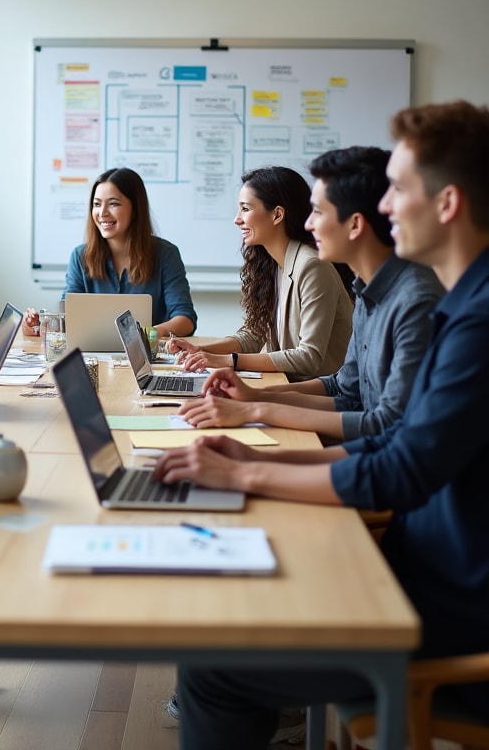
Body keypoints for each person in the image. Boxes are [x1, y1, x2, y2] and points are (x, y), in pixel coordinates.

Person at [154, 101, 489, 749]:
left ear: (447, 203)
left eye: (398, 189)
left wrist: (249, 469)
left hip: (441, 612)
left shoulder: (468, 319)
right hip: (412, 573)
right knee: (226, 614)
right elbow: (392, 442)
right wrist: (255, 459)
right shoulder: (458, 305)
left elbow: (399, 464)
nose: (384, 207)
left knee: (212, 664)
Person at [178, 147, 444, 441]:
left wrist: (256, 407)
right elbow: (343, 390)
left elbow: (384, 428)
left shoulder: (413, 299)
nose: (308, 223)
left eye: (317, 211)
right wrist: (254, 397)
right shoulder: (365, 291)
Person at [170, 165, 353, 382]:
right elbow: (254, 335)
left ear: (277, 215)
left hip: (318, 393)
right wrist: (199, 351)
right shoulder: (272, 264)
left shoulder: (313, 267)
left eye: (245, 209)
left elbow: (308, 357)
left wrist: (227, 361)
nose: (237, 219)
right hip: (288, 385)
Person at [23, 167, 197, 338]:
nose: (102, 213)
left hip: (147, 352)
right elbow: (67, 317)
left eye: (113, 204)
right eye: (97, 204)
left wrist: (148, 334)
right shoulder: (80, 257)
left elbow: (185, 318)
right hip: (92, 353)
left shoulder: (166, 255)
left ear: (135, 209)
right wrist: (38, 326)